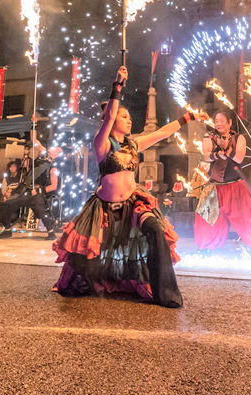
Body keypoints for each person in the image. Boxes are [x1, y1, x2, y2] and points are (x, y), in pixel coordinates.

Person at [52, 66, 201, 307]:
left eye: (129, 116)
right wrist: (117, 85)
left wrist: (188, 117)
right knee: (87, 261)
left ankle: (166, 293)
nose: (129, 119)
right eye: (124, 116)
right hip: (103, 208)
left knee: (155, 230)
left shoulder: (133, 144)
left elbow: (162, 133)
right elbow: (109, 116)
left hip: (134, 203)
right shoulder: (101, 144)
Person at [194, 110, 251, 262]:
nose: (219, 124)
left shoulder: (239, 138)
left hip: (235, 187)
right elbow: (206, 156)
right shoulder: (209, 136)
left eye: (222, 121)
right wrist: (218, 154)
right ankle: (206, 248)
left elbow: (239, 158)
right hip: (214, 188)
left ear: (229, 123)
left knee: (250, 220)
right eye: (216, 121)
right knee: (207, 220)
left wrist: (227, 148)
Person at [0, 149, 58, 240]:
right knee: (5, 206)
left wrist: (39, 190)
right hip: (24, 190)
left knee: (43, 212)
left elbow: (54, 186)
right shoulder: (39, 159)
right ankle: (7, 230)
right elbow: (35, 141)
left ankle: (51, 233)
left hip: (35, 193)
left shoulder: (53, 169)